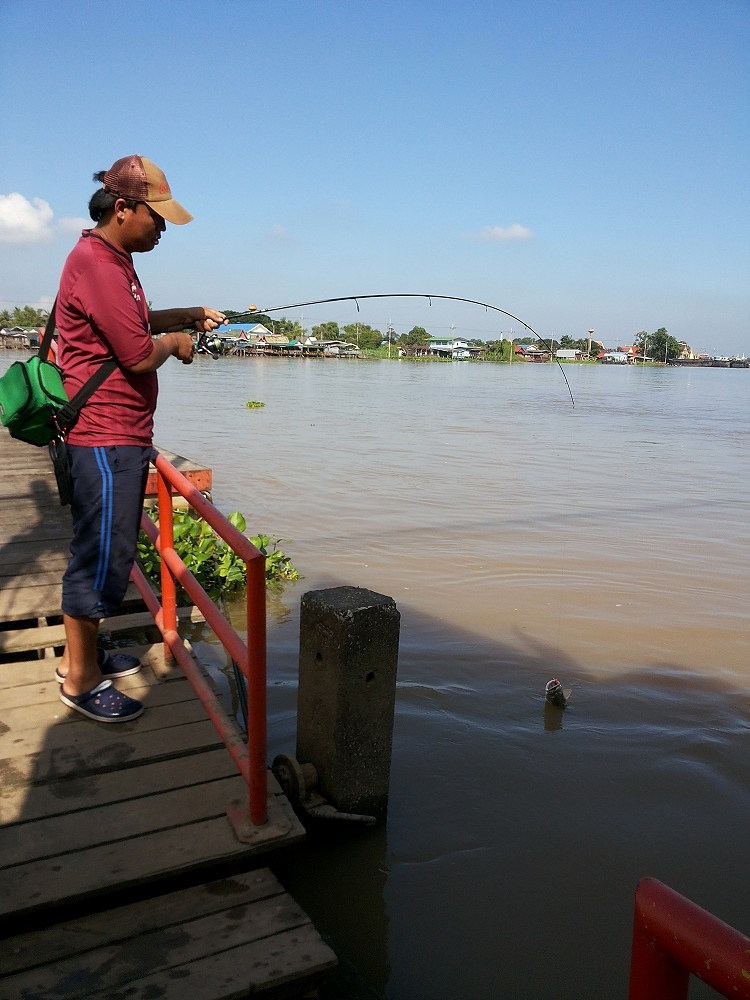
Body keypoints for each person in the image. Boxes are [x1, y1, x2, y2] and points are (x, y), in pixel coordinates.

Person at [54, 154, 226, 722]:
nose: (162, 230)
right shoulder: (100, 263)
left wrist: (185, 314)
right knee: (103, 556)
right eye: (157, 218)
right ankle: (79, 680)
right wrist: (176, 342)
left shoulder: (110, 257)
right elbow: (134, 352)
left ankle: (87, 654)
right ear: (124, 208)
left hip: (114, 434)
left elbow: (131, 321)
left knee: (102, 547)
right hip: (106, 437)